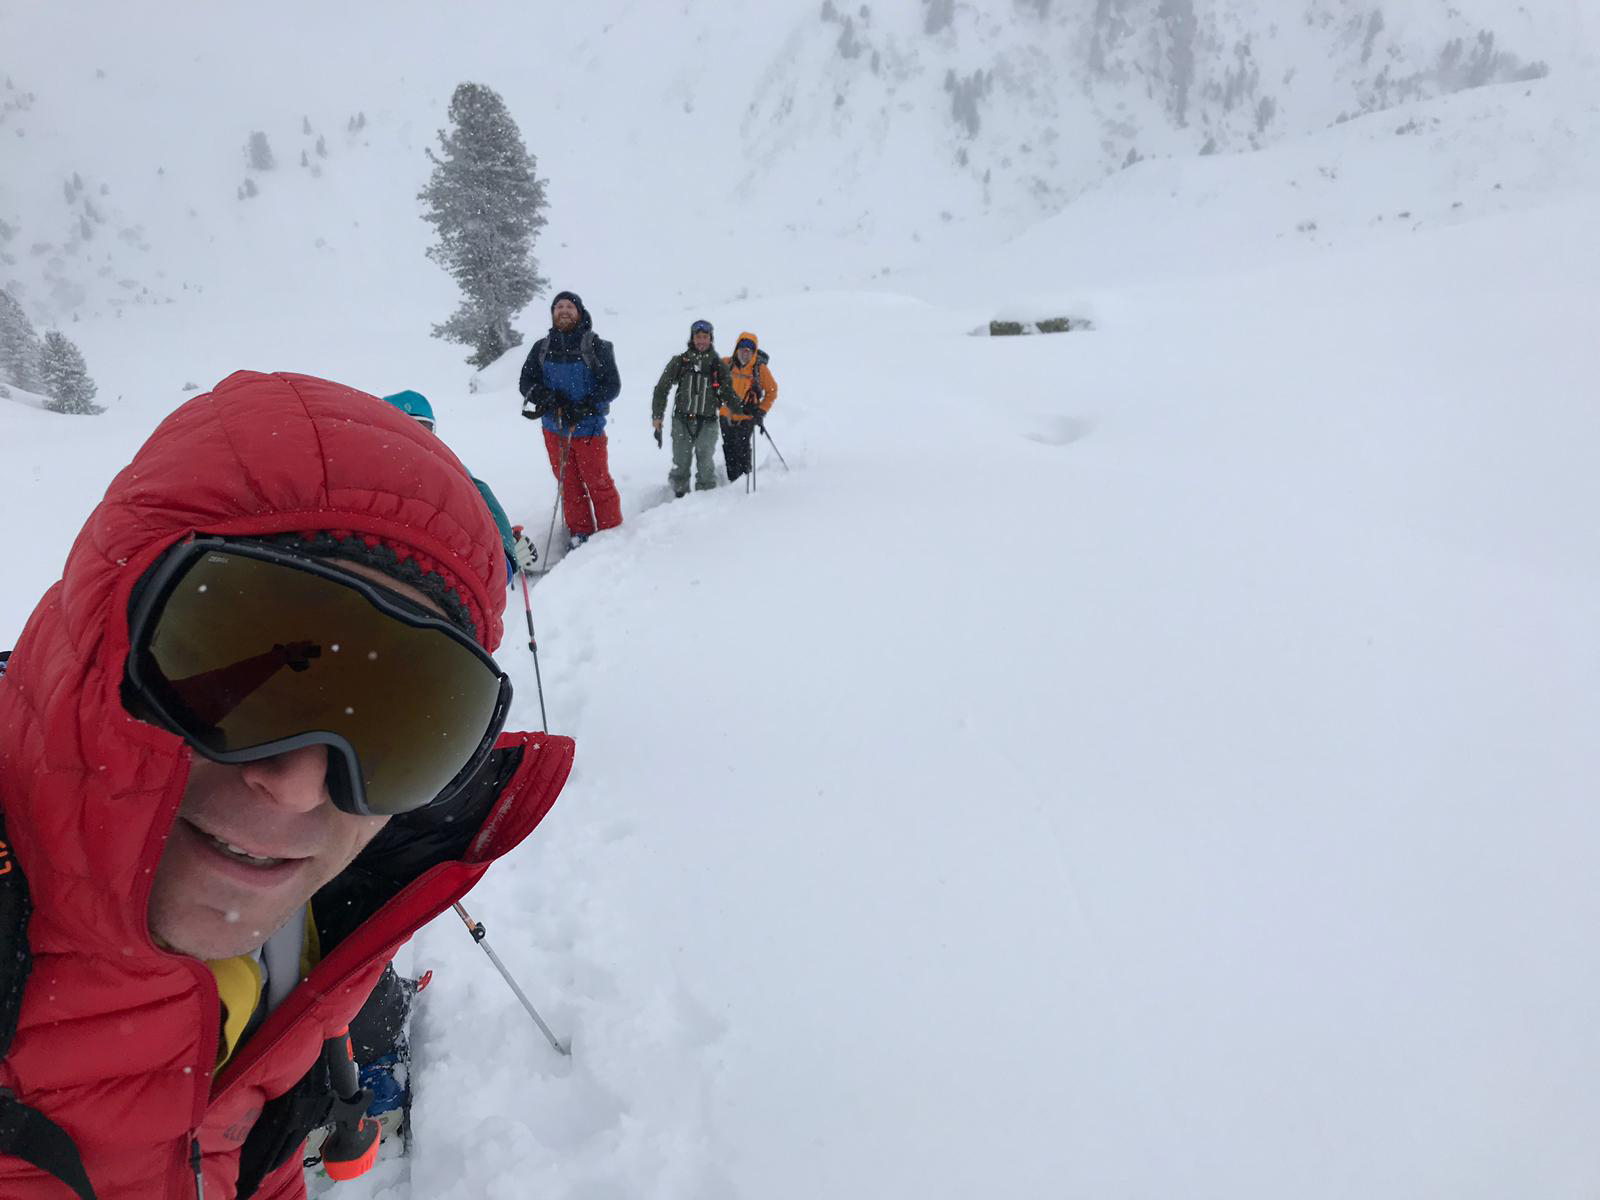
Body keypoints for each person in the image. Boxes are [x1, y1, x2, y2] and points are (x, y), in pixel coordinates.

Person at [0, 371, 575, 1199]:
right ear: (101, 631)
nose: (301, 786)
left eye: (406, 724)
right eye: (221, 645)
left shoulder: (292, 951)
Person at [382, 389, 538, 578]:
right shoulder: (372, 468)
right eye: (407, 428)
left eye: (426, 428)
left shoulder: (450, 470)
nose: (418, 437)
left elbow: (477, 513)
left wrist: (503, 545)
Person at [518, 292, 623, 551]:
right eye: (559, 307)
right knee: (569, 484)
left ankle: (612, 534)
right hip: (554, 429)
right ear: (553, 313)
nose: (564, 310)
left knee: (597, 482)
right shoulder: (542, 347)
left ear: (579, 312)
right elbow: (525, 382)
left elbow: (612, 386)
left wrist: (586, 406)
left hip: (588, 430)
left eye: (569, 306)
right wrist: (543, 395)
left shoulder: (596, 346)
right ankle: (580, 534)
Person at [652, 319, 736, 497]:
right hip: (682, 420)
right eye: (698, 337)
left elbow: (728, 392)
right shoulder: (680, 361)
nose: (701, 341)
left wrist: (744, 410)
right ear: (692, 338)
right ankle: (679, 495)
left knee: (705, 464)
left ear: (710, 339)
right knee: (681, 463)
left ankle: (705, 501)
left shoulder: (717, 365)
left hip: (708, 422)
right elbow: (662, 388)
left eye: (705, 337)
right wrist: (657, 416)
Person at [719, 331, 777, 485]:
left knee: (742, 449)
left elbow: (772, 391)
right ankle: (733, 482)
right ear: (737, 348)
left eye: (749, 349)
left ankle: (745, 480)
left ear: (754, 351)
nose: (745, 352)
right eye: (743, 348)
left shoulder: (759, 369)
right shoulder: (726, 364)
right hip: (726, 416)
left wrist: (762, 410)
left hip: (747, 417)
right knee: (729, 450)